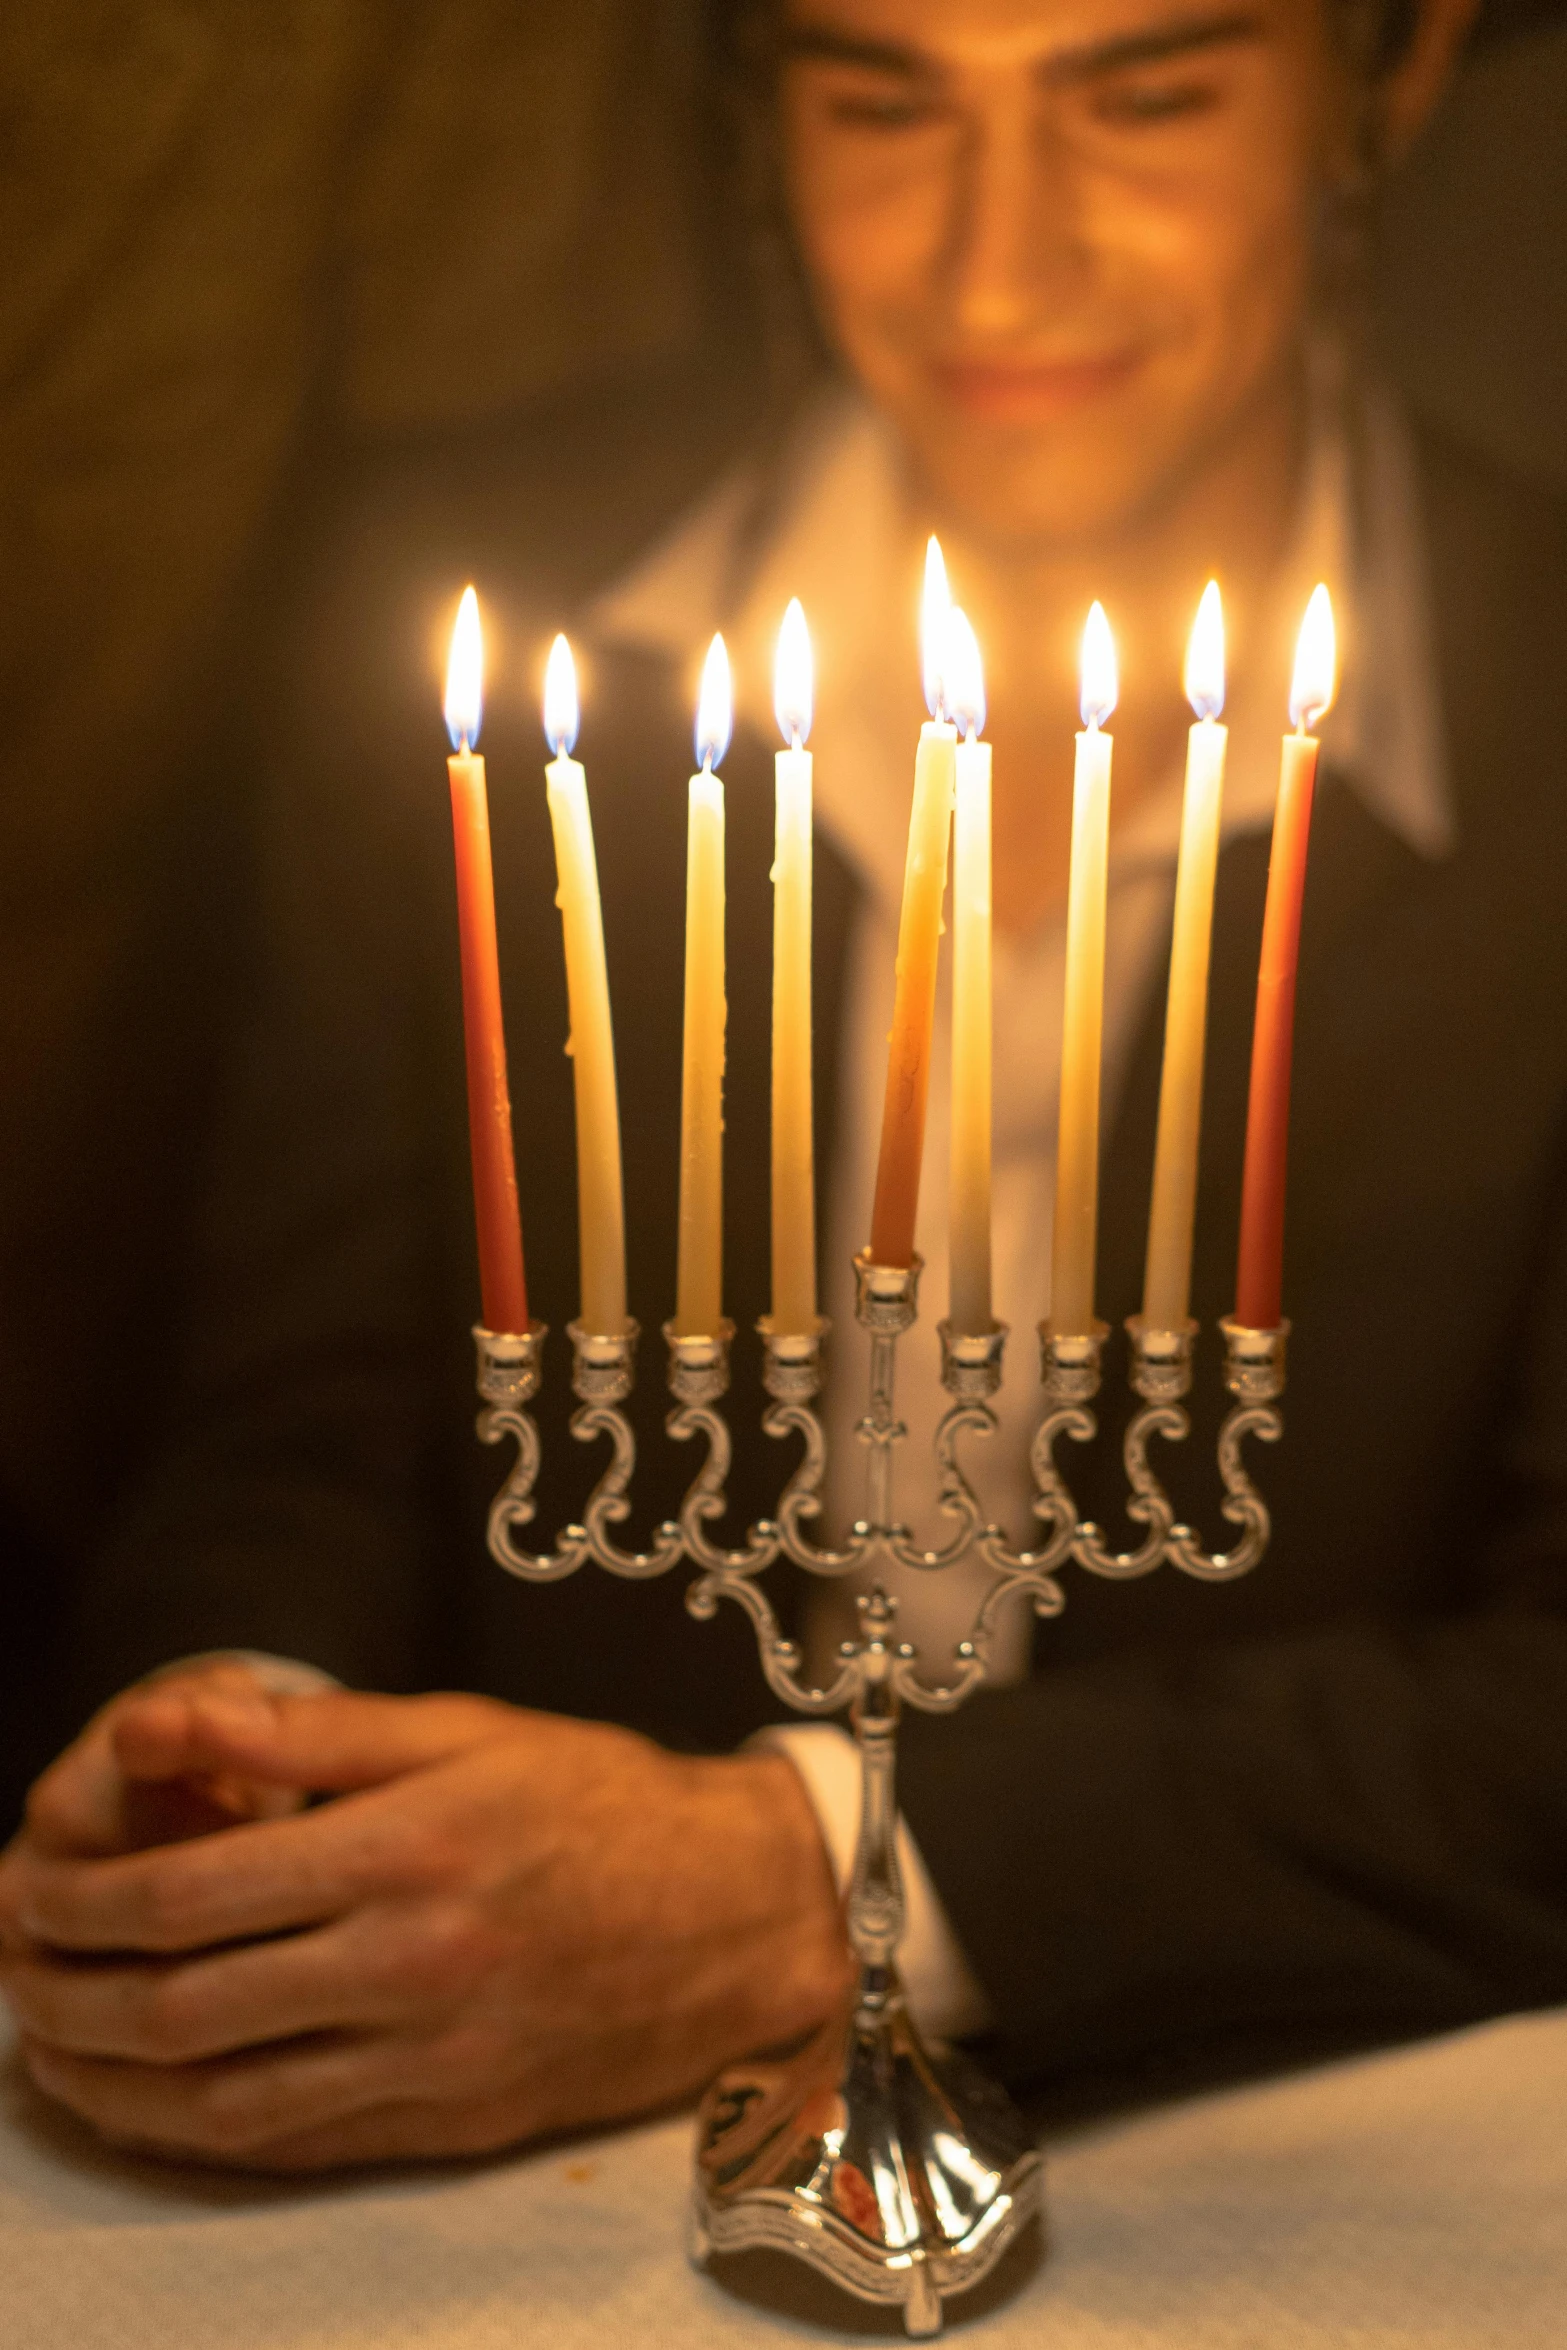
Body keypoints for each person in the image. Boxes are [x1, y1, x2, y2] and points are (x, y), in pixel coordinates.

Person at [5, 0, 1567, 2176]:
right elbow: (309, 1402)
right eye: (880, 97)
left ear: (1384, 88)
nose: (991, 265)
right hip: (509, 2129)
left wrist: (799, 1870)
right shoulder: (480, 627)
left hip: (1253, 2113)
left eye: (1147, 96)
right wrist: (233, 1740)